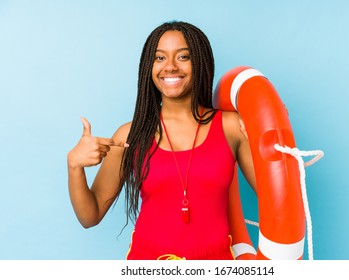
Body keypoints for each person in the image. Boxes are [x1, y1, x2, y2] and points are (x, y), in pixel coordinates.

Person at [67, 21, 256, 260]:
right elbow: (89, 216)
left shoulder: (232, 127)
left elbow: (277, 198)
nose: (170, 67)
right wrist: (74, 166)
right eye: (159, 58)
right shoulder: (129, 135)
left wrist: (265, 132)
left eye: (183, 56)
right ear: (149, 67)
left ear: (200, 62)